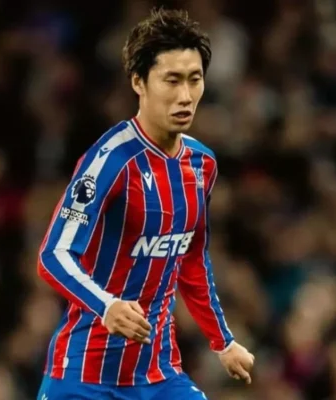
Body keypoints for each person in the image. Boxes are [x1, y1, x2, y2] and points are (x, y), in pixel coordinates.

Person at [36, 7, 254, 400]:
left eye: (194, 79)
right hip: (84, 376)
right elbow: (54, 254)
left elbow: (191, 259)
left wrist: (222, 341)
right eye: (171, 80)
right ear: (139, 82)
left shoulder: (202, 164)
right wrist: (107, 306)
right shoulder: (110, 161)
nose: (185, 96)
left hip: (158, 376)